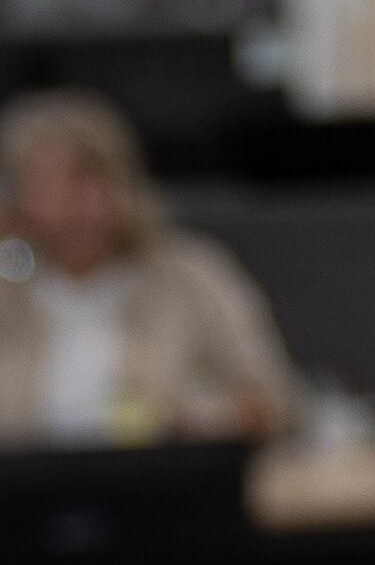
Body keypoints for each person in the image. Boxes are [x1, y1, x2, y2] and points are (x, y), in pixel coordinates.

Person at [0, 88, 294, 443]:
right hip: (23, 493)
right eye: (44, 185)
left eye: (84, 179)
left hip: (166, 489)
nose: (67, 204)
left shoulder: (188, 276)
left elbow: (276, 402)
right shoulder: (8, 283)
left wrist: (200, 417)